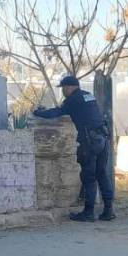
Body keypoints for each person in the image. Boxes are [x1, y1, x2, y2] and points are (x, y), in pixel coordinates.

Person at [32, 75, 115, 222]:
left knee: (88, 176)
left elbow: (56, 113)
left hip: (89, 141)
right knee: (101, 174)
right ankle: (109, 210)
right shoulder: (88, 95)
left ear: (70, 87)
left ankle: (88, 213)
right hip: (103, 138)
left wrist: (38, 112)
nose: (63, 91)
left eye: (63, 88)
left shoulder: (73, 99)